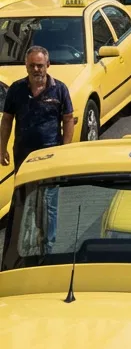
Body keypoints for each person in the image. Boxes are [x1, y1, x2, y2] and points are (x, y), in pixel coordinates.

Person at [0, 45, 75, 252]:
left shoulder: (59, 89)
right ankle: (21, 248)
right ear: (26, 66)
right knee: (24, 201)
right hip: (24, 157)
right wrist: (2, 147)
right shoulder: (16, 89)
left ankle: (47, 247)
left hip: (51, 157)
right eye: (32, 65)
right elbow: (7, 120)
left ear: (48, 66)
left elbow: (68, 119)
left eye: (40, 66)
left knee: (48, 203)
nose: (36, 70)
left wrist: (66, 150)